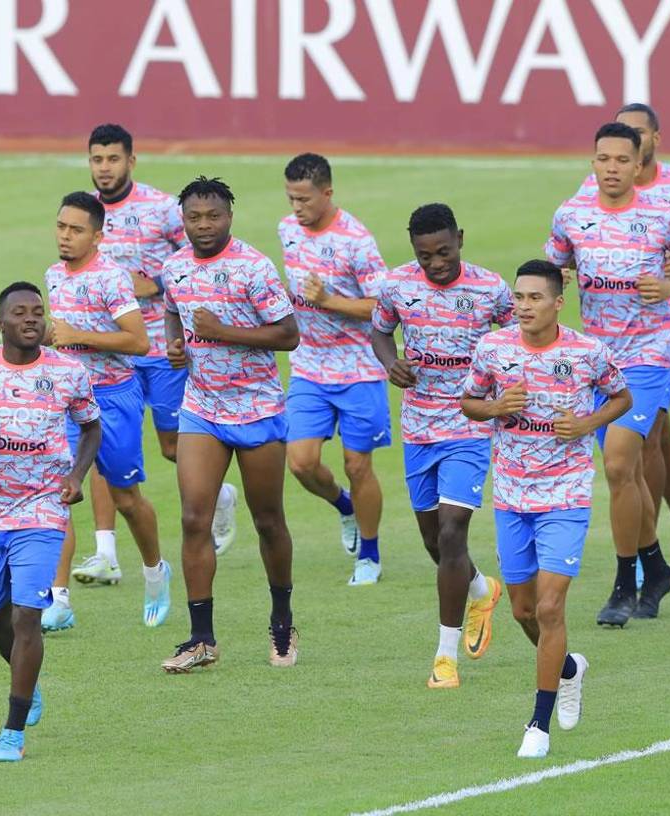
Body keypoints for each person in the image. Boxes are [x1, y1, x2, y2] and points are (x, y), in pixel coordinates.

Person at [462, 260, 630, 758]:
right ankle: (569, 668)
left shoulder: (586, 352)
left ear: (559, 302)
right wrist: (496, 408)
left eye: (535, 298)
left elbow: (621, 395)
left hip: (566, 495)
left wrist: (587, 425)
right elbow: (470, 402)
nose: (524, 306)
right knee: (523, 610)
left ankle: (538, 724)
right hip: (512, 495)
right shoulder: (493, 348)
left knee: (552, 606)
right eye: (519, 297)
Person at [546, 122, 670, 627]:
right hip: (597, 360)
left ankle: (623, 583)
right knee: (630, 473)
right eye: (602, 159)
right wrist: (559, 279)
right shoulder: (571, 216)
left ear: (639, 165)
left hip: (648, 354)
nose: (611, 168)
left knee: (616, 465)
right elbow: (551, 267)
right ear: (592, 162)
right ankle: (656, 567)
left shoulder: (663, 216)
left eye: (621, 160)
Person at [0, 282, 101, 762]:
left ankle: (12, 730)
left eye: (37, 312)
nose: (31, 319)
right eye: (19, 313)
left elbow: (91, 426)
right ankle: (26, 681)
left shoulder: (69, 373)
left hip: (43, 509)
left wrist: (76, 475)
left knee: (27, 614)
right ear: (0, 324)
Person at [79, 124, 238, 585]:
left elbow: (204, 257)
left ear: (131, 160)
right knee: (101, 443)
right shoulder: (85, 213)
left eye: (112, 159)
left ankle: (223, 496)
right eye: (96, 159)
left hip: (161, 347)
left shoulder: (162, 208)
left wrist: (154, 285)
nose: (104, 168)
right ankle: (105, 552)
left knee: (173, 447)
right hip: (109, 353)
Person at [572, 103, 670, 585]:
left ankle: (644, 557)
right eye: (607, 154)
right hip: (608, 336)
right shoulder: (584, 198)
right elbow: (567, 247)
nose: (618, 158)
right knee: (650, 437)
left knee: (645, 432)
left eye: (636, 138)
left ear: (653, 140)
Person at [159, 177, 302, 673]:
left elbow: (289, 335)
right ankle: (201, 639)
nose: (203, 226)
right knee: (194, 519)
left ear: (229, 217)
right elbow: (172, 314)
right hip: (201, 409)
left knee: (268, 520)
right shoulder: (173, 267)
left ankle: (282, 621)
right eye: (194, 218)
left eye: (213, 216)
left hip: (258, 409)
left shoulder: (253, 267)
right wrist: (176, 346)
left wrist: (223, 332)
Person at [371, 203, 512, 689]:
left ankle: (444, 659)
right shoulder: (396, 286)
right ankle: (480, 588)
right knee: (434, 541)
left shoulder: (491, 289)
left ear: (461, 240)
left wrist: (504, 387)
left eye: (444, 252)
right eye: (425, 255)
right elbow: (380, 329)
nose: (435, 264)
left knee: (453, 533)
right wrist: (392, 363)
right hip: (418, 426)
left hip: (471, 425)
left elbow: (519, 336)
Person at [39, 192, 171, 631]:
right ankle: (58, 601)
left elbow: (139, 342)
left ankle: (155, 571)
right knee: (55, 496)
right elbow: (60, 336)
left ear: (97, 236)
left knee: (126, 499)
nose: (65, 236)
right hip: (66, 402)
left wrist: (79, 334)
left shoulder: (111, 278)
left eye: (75, 230)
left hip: (113, 399)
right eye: (61, 227)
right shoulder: (54, 276)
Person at [278, 152, 391, 585]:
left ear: (327, 193)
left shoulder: (356, 241)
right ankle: (345, 507)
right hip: (309, 365)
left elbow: (382, 307)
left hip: (359, 368)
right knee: (301, 463)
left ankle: (371, 552)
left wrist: (330, 301)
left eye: (304, 199)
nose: (296, 208)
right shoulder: (287, 230)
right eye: (291, 198)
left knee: (357, 464)